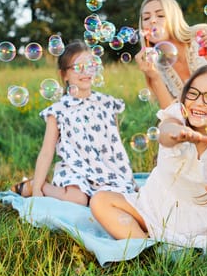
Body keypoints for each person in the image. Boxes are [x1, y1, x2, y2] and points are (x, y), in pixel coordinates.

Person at [90, 64, 207, 256]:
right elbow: (165, 133)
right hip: (158, 209)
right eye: (193, 94)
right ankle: (147, 248)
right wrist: (178, 134)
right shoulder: (175, 121)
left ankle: (169, 247)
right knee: (100, 201)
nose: (198, 102)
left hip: (206, 221)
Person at [11, 40, 135, 206]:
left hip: (104, 169)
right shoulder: (59, 110)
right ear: (64, 75)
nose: (86, 71)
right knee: (78, 199)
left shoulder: (107, 103)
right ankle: (35, 185)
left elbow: (115, 146)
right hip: (75, 170)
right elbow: (47, 151)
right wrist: (38, 190)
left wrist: (128, 179)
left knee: (120, 198)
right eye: (78, 67)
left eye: (90, 65)